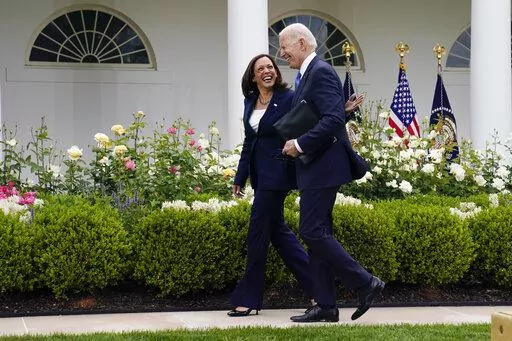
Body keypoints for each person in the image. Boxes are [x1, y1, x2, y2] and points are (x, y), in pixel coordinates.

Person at [279, 23, 385, 323]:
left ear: (302, 43)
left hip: (323, 166)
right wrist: (342, 110)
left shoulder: (321, 71)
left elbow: (331, 119)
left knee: (312, 231)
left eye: (284, 46)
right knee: (317, 234)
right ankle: (325, 305)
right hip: (316, 166)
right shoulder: (309, 74)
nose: (282, 53)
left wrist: (299, 144)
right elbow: (327, 114)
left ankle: (366, 283)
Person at [227, 54, 315, 317]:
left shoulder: (289, 98)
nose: (267, 71)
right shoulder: (249, 102)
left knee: (257, 233)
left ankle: (249, 298)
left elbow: (310, 122)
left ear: (276, 72)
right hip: (259, 175)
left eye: (270, 67)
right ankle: (319, 290)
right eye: (260, 68)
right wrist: (240, 177)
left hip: (278, 173)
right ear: (253, 76)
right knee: (278, 233)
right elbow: (249, 142)